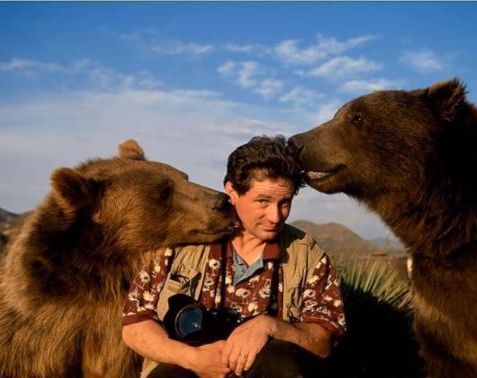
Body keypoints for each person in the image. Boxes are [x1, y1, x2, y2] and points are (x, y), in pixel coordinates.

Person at [122, 135, 346, 378]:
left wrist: (271, 326)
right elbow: (135, 326)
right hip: (187, 369)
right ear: (232, 191)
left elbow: (324, 340)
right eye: (263, 201)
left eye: (285, 202)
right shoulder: (182, 243)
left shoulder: (307, 254)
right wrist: (193, 359)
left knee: (281, 361)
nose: (275, 216)